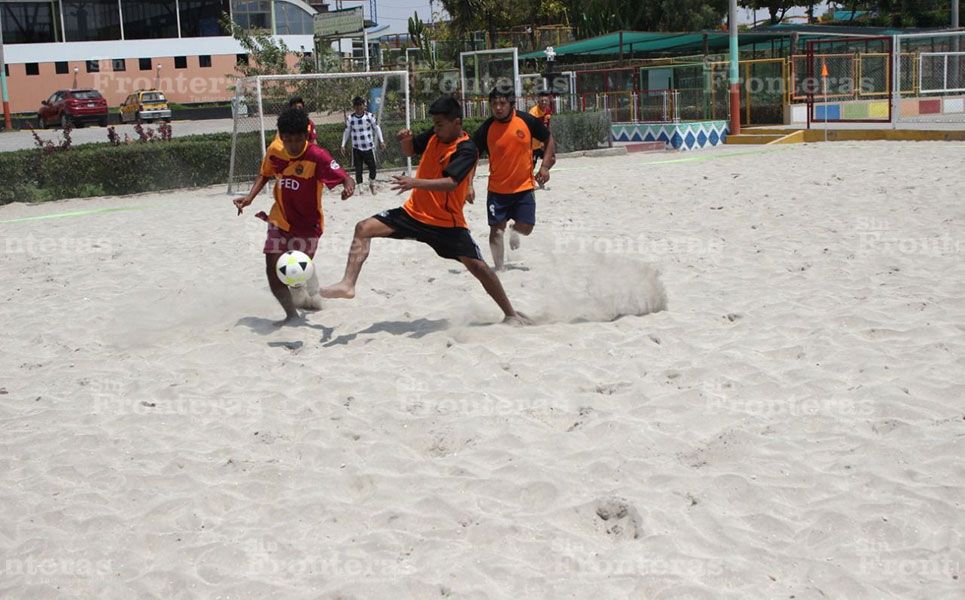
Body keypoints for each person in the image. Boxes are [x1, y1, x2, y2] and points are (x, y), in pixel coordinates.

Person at [320, 96, 526, 324]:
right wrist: (405, 140)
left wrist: (415, 183)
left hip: (446, 224)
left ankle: (510, 313)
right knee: (363, 227)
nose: (435, 129)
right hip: (413, 214)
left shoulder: (467, 149)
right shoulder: (435, 134)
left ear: (457, 123)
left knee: (479, 268)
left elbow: (451, 182)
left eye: (440, 124)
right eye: (434, 124)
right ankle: (348, 284)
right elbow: (410, 151)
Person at [234, 108, 355, 325]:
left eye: (298, 140)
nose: (293, 145)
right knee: (273, 267)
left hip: (308, 226)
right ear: (281, 137)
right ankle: (291, 315)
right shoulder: (275, 150)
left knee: (296, 272)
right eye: (287, 140)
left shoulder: (318, 156)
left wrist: (348, 187)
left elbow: (345, 176)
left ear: (306, 137)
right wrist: (250, 197)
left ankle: (311, 291)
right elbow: (265, 173)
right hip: (279, 219)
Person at [472, 86, 556, 271]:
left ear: (511, 104)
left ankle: (515, 231)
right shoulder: (486, 128)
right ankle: (499, 268)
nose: (498, 108)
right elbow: (472, 154)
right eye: (494, 104)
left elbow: (549, 139)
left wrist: (545, 166)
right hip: (497, 191)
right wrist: (468, 184)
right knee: (496, 230)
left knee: (527, 227)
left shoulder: (526, 121)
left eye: (502, 103)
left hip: (524, 188)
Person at [341, 96, 386, 195]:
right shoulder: (350, 118)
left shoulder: (370, 116)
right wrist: (343, 145)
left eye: (361, 106)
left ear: (363, 106)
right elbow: (347, 131)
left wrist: (381, 140)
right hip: (357, 148)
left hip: (369, 147)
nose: (359, 109)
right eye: (356, 107)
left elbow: (376, 128)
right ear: (354, 107)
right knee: (358, 169)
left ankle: (371, 183)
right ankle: (361, 189)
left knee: (373, 168)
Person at [529, 91, 553, 166]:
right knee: (532, 164)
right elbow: (532, 130)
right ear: (538, 101)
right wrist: (541, 142)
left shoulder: (548, 111)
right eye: (542, 101)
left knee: (552, 159)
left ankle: (541, 173)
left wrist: (548, 139)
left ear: (549, 101)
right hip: (533, 144)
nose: (544, 103)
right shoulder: (533, 112)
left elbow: (547, 126)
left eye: (546, 101)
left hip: (543, 142)